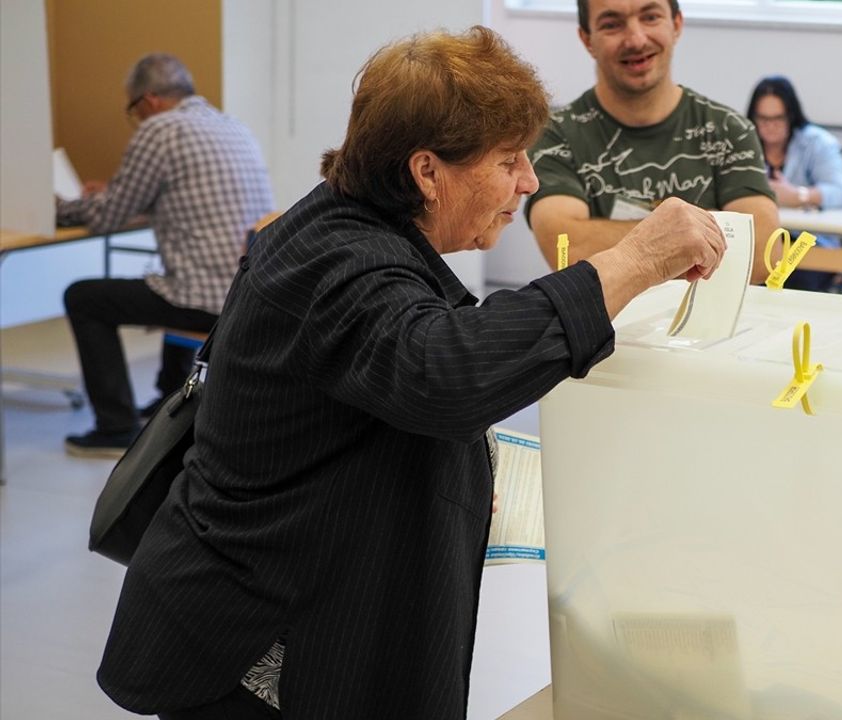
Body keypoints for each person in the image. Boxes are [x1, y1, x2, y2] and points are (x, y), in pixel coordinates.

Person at [96, 27, 725, 720]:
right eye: (509, 159)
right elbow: (445, 371)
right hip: (252, 664)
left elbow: (400, 377)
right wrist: (635, 260)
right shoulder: (336, 263)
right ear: (426, 171)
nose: (528, 180)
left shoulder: (352, 231)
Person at [56, 53, 274, 457]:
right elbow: (176, 197)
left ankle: (115, 425)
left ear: (150, 100)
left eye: (132, 109)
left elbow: (107, 216)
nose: (135, 118)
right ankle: (168, 399)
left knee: (83, 296)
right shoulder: (231, 125)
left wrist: (55, 206)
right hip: (248, 290)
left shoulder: (159, 130)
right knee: (177, 273)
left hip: (206, 299)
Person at [526, 0, 778, 283]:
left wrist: (627, 249)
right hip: (604, 326)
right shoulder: (556, 135)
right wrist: (690, 237)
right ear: (587, 39)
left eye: (650, 17)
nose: (635, 39)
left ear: (677, 24)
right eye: (612, 24)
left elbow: (761, 255)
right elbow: (568, 250)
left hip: (706, 326)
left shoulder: (729, 130)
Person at [746, 75, 842, 292]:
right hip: (760, 239)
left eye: (778, 119)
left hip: (807, 243)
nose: (770, 127)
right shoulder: (744, 143)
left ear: (791, 116)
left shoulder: (817, 142)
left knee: (792, 280)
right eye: (763, 119)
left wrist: (798, 196)